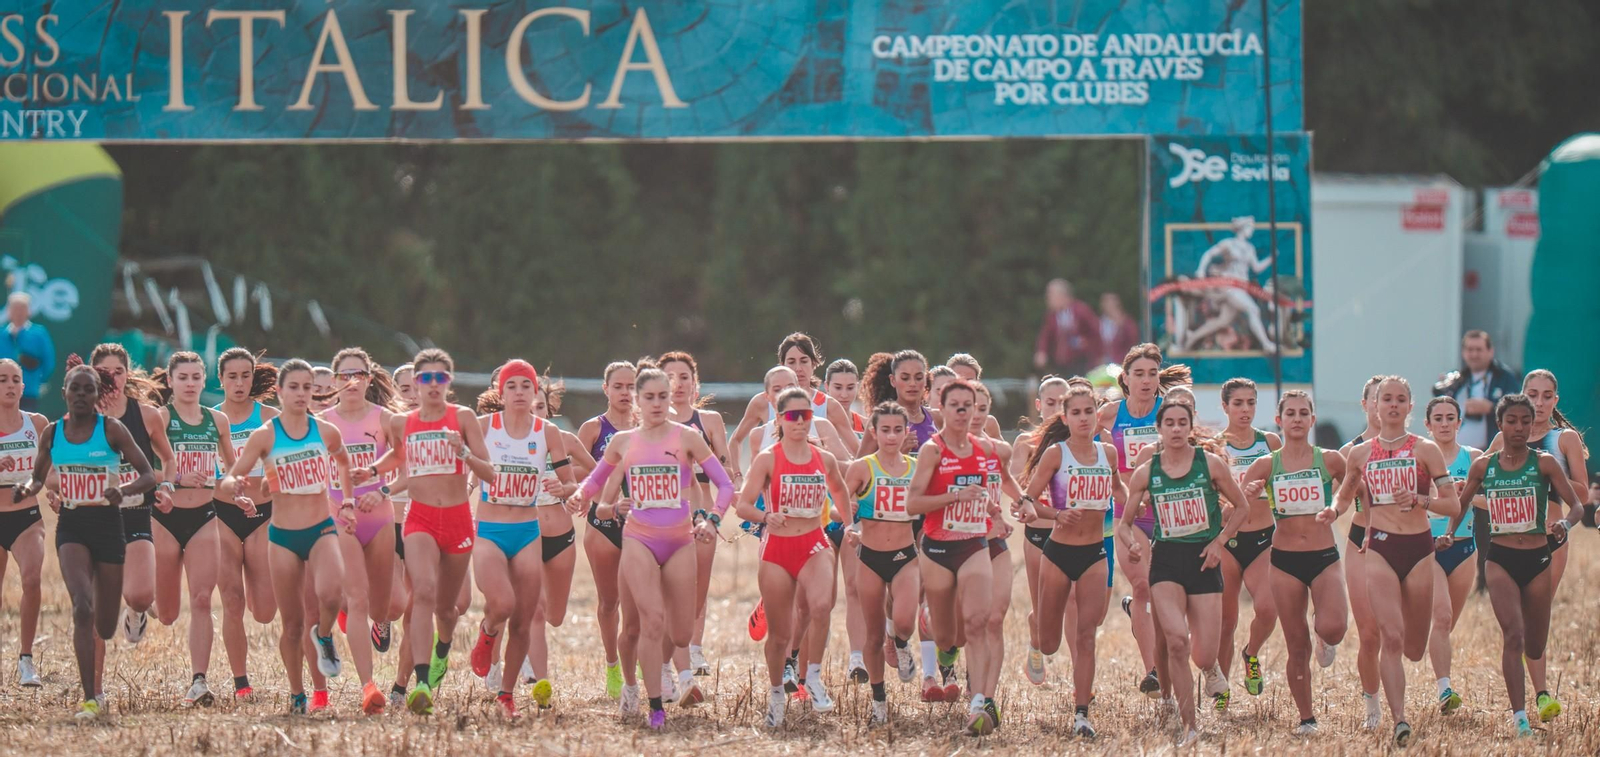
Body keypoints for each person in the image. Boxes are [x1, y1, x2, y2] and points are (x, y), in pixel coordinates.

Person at [571, 363, 734, 730]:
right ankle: (649, 700)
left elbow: (725, 486)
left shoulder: (688, 438)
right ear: (638, 402)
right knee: (646, 623)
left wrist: (711, 519)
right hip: (638, 540)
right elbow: (597, 489)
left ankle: (662, 673)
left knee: (679, 633)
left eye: (663, 395)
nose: (657, 403)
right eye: (650, 397)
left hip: (679, 540)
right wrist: (587, 499)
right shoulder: (623, 442)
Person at [15, 363, 156, 719]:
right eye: (74, 389)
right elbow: (37, 478)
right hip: (72, 527)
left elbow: (147, 475)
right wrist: (26, 489)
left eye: (87, 389)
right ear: (64, 394)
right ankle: (90, 696)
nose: (80, 395)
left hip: (109, 526)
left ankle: (114, 627)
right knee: (81, 606)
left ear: (97, 396)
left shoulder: (112, 430)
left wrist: (121, 491)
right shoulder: (52, 433)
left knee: (105, 625)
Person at [357, 348, 493, 715]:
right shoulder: (404, 423)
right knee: (424, 595)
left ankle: (443, 649)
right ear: (415, 384)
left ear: (449, 382)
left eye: (441, 377)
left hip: (458, 521)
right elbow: (397, 460)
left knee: (447, 609)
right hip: (419, 520)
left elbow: (490, 473)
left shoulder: (463, 418)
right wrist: (371, 474)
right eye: (426, 378)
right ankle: (419, 684)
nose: (433, 384)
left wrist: (463, 452)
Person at [1328, 376, 1458, 747]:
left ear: (1410, 407)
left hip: (1418, 548)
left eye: (1401, 399)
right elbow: (1344, 495)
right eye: (1387, 399)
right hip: (1379, 548)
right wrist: (1331, 511)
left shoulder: (1427, 450)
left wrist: (1422, 501)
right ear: (1375, 405)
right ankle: (1398, 719)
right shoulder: (1360, 453)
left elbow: (1452, 504)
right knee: (1390, 636)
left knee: (1414, 647)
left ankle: (1405, 693)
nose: (1393, 405)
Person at [1448, 394, 1584, 737]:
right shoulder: (1484, 466)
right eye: (1512, 421)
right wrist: (1449, 534)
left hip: (1539, 559)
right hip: (1500, 559)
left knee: (1535, 643)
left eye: (1525, 421)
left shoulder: (1546, 463)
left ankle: (1536, 693)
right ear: (1500, 425)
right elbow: (1460, 505)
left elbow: (1578, 507)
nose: (1520, 427)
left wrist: (1564, 525)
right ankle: (1519, 716)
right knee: (1514, 634)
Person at [1118, 401, 1253, 746]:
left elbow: (1242, 507)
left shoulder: (1210, 464)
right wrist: (1133, 544)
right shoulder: (1147, 472)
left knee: (1203, 653)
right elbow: (1125, 524)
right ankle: (1189, 725)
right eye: (1170, 423)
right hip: (1165, 562)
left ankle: (1210, 669)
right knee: (1177, 641)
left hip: (1204, 560)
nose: (1176, 429)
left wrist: (1221, 541)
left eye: (1182, 423)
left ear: (1190, 427)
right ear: (1160, 429)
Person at [221, 359, 350, 715]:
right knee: (291, 625)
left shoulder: (325, 431)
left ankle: (324, 636)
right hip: (282, 536)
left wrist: (349, 501)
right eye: (293, 387)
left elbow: (342, 463)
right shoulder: (265, 435)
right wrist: (237, 485)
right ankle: (297, 693)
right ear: (279, 391)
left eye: (307, 387)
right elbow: (233, 475)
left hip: (321, 528)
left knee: (331, 595)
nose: (301, 394)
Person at [907, 379, 1021, 735]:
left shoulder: (986, 448)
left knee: (978, 622)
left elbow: (988, 491)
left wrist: (996, 514)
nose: (961, 411)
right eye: (954, 404)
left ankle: (980, 701)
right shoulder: (933, 450)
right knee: (947, 638)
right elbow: (913, 503)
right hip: (939, 548)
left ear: (975, 410)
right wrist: (952, 499)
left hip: (974, 544)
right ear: (942, 409)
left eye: (967, 405)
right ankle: (931, 624)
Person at [735, 386, 849, 729]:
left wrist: (851, 522)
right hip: (777, 549)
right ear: (781, 419)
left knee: (820, 607)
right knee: (781, 636)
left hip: (814, 542)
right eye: (793, 416)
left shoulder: (823, 458)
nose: (800, 421)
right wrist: (764, 517)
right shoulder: (768, 458)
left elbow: (841, 490)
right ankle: (775, 694)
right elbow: (742, 505)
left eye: (806, 415)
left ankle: (812, 676)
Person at [470, 360, 579, 719]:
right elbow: (464, 470)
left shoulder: (547, 432)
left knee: (525, 618)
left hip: (527, 532)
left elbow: (569, 481)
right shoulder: (484, 427)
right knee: (501, 604)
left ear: (535, 392)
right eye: (512, 386)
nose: (519, 392)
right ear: (500, 393)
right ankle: (486, 633)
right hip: (489, 530)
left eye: (525, 386)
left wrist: (565, 490)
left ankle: (507, 695)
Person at [1019, 383, 1126, 738]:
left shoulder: (1107, 453)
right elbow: (1028, 501)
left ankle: (1082, 712)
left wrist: (1134, 495)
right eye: (1076, 413)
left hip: (1095, 553)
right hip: (1059, 553)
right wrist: (1056, 514)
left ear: (1098, 416)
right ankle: (1036, 633)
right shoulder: (1055, 454)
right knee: (1051, 643)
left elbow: (1118, 489)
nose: (1083, 418)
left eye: (1089, 412)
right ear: (1065, 418)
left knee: (1086, 634)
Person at [1239, 390, 1348, 736]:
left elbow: (1356, 490)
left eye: (1304, 413)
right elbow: (1238, 507)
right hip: (1284, 560)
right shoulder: (1266, 464)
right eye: (1291, 413)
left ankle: (1325, 637)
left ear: (1313, 420)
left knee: (1333, 627)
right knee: (1295, 644)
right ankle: (1306, 718)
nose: (1297, 419)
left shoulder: (1330, 460)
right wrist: (1248, 494)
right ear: (1279, 419)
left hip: (1323, 556)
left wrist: (1340, 509)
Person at [1484, 368, 1589, 721]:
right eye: (1533, 394)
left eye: (1547, 396)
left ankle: (1540, 693)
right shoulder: (1503, 437)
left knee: (1535, 621)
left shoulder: (1565, 440)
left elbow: (1584, 494)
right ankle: (1529, 700)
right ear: (1523, 395)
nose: (1540, 402)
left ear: (1555, 401)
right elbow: (1483, 486)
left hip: (1550, 539)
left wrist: (1541, 483)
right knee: (1515, 626)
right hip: (1507, 540)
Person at [1097, 343, 1191, 698]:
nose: (1147, 380)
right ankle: (1153, 671)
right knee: (1143, 586)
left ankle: (1151, 627)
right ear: (1125, 378)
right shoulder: (1108, 415)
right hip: (1128, 514)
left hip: (1171, 516)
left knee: (1167, 592)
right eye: (1139, 374)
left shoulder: (1170, 414)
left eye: (1153, 373)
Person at [316, 347, 403, 715]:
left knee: (384, 607)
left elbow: (403, 460)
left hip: (380, 515)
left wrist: (380, 489)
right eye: (344, 375)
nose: (351, 381)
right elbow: (316, 473)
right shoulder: (321, 422)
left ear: (369, 379)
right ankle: (368, 686)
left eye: (359, 374)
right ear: (334, 381)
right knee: (358, 598)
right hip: (340, 516)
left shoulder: (386, 419)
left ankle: (377, 624)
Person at [150, 352, 237, 708]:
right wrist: (176, 478)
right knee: (168, 614)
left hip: (204, 516)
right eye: (182, 377)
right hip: (164, 520)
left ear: (205, 381)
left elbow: (232, 469)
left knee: (202, 599)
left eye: (195, 377)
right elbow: (138, 468)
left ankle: (198, 680)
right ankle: (144, 604)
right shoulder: (160, 418)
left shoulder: (217, 420)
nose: (189, 383)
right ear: (169, 381)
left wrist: (239, 493)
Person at [843, 401, 921, 725]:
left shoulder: (917, 468)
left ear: (906, 433)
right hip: (870, 557)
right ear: (873, 432)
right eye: (885, 430)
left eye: (897, 430)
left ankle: (900, 643)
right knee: (872, 637)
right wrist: (851, 524)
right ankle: (879, 702)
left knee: (904, 622)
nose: (891, 436)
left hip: (905, 556)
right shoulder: (862, 467)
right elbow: (840, 503)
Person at [90, 344, 172, 648]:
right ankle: (93, 688)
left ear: (127, 374)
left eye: (119, 371)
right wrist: (59, 492)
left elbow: (168, 461)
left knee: (141, 596)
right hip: (96, 515)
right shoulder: (83, 413)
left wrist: (166, 486)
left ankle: (136, 611)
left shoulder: (146, 415)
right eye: (106, 372)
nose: (113, 377)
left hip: (136, 510)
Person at [212, 348, 279, 700]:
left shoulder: (270, 418)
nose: (239, 383)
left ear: (253, 378)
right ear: (220, 379)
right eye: (232, 376)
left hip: (263, 517)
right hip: (221, 515)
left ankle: (261, 592)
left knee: (266, 612)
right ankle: (241, 683)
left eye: (245, 376)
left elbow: (284, 466)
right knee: (232, 600)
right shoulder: (210, 420)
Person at [661, 351, 730, 683]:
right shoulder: (649, 422)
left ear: (695, 382)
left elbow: (727, 468)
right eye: (669, 377)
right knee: (667, 591)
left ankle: (695, 644)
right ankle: (669, 658)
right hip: (663, 516)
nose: (677, 384)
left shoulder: (710, 421)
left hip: (703, 514)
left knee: (698, 587)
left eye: (684, 376)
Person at [1212, 378, 1280, 711]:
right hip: (1226, 540)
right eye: (1238, 403)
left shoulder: (1270, 442)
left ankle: (1251, 653)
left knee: (1268, 609)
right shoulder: (1213, 446)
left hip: (1264, 537)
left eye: (1251, 403)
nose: (1245, 410)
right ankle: (1221, 690)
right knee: (1226, 621)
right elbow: (1209, 500)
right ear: (1224, 406)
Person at [576, 361, 637, 699]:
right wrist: (587, 493)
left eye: (631, 386)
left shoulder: (648, 427)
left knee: (640, 601)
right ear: (606, 389)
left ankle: (637, 660)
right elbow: (573, 466)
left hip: (642, 524)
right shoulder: (593, 428)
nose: (625, 393)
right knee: (609, 601)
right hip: (602, 523)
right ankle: (613, 664)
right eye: (619, 386)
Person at [1422, 396, 1480, 715]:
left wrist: (1466, 494)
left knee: (1446, 625)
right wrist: (1433, 499)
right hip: (1427, 548)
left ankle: (1433, 660)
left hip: (1464, 547)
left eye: (1450, 418)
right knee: (1441, 616)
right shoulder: (1418, 459)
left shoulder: (1474, 459)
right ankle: (1445, 690)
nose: (1444, 424)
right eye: (1438, 419)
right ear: (1428, 425)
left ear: (1459, 423)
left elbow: (1489, 502)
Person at [1012, 375, 1070, 686]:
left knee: (1073, 606)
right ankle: (1036, 642)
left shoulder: (1082, 443)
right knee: (1043, 608)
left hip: (1073, 534)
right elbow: (1013, 486)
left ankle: (1078, 668)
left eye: (1064, 404)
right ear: (1038, 405)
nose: (1058, 410)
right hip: (1038, 533)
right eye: (1051, 404)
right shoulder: (1025, 443)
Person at [730, 333, 858, 467]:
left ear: (814, 363)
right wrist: (737, 476)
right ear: (782, 364)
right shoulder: (762, 402)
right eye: (791, 362)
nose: (798, 368)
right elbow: (735, 440)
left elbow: (859, 453)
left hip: (816, 482)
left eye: (804, 361)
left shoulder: (828, 405)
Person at [0, 359, 49, 687]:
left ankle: (26, 660)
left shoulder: (37, 423)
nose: (10, 385)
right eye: (3, 379)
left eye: (15, 380)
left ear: (23, 386)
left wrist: (59, 492)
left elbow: (51, 469)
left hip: (28, 516)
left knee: (32, 580)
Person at [1432, 331, 1519, 452]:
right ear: (1463, 353)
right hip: (1458, 454)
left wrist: (1491, 408)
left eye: (1479, 350)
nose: (1474, 354)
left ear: (1490, 351)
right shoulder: (1458, 378)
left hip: (1493, 453)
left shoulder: (1504, 377)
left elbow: (1517, 410)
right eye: (1470, 350)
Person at [1033, 279, 1103, 378]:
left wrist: (1096, 352)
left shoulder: (1081, 310)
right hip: (1060, 361)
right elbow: (1045, 335)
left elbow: (1095, 332)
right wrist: (1042, 352)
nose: (1048, 299)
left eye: (1051, 295)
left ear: (1062, 296)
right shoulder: (1052, 316)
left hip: (1081, 360)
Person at [0, 293, 55, 412]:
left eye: (22, 309)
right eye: (15, 309)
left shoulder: (39, 333)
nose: (18, 313)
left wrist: (40, 381)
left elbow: (48, 360)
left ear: (29, 311)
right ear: (9, 311)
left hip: (28, 390)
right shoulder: (2, 333)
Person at [1099, 292, 1140, 367]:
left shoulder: (1126, 322)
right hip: (1102, 364)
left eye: (1112, 303)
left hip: (1121, 362)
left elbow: (1133, 339)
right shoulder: (1099, 322)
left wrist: (1122, 325)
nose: (1110, 306)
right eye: (1107, 303)